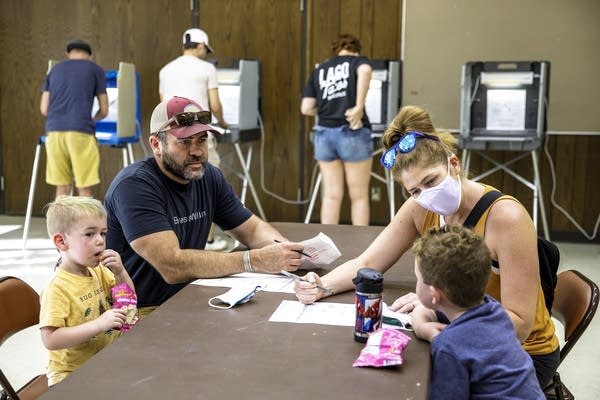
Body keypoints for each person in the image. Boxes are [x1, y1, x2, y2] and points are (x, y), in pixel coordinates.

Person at [293, 105, 560, 387]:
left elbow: (520, 325)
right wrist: (320, 286)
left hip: (523, 354)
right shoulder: (421, 207)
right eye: (414, 190)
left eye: (431, 180)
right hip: (461, 332)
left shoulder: (506, 218)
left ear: (453, 164)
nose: (426, 194)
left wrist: (433, 309)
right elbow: (366, 263)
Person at [104, 96, 305, 317]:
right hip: (136, 311)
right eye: (184, 141)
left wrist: (288, 254)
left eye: (201, 139)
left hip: (189, 296)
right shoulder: (134, 186)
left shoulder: (208, 176)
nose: (197, 151)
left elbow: (252, 229)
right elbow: (172, 265)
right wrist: (254, 260)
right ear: (156, 144)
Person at [411, 225, 545, 399]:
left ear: (434, 294)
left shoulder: (449, 346)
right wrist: (422, 327)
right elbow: (428, 313)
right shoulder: (494, 311)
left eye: (417, 278)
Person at [39, 196, 135, 386]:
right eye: (90, 234)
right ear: (61, 241)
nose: (100, 241)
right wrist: (99, 324)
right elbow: (50, 339)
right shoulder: (57, 287)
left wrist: (121, 272)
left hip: (106, 361)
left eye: (103, 233)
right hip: (71, 376)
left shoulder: (99, 270)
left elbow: (128, 305)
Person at [159, 28, 228, 250]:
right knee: (207, 183)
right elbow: (214, 104)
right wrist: (223, 122)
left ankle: (177, 238)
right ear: (200, 46)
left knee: (173, 184)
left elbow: (164, 107)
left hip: (171, 137)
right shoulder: (207, 68)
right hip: (197, 134)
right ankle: (206, 240)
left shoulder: (165, 70)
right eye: (205, 49)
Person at [301, 33, 373, 226]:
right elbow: (365, 71)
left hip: (323, 134)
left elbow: (306, 108)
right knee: (358, 196)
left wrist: (325, 110)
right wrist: (358, 107)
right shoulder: (357, 62)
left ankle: (328, 246)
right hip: (352, 131)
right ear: (355, 50)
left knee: (331, 195)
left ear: (335, 50)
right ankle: (361, 247)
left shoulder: (320, 70)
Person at [40, 39, 108, 198]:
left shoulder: (54, 70)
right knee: (84, 188)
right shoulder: (95, 69)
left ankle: (59, 223)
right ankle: (86, 224)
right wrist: (92, 119)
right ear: (90, 56)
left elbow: (44, 109)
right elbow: (104, 110)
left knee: (62, 188)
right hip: (80, 132)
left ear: (68, 54)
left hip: (54, 133)